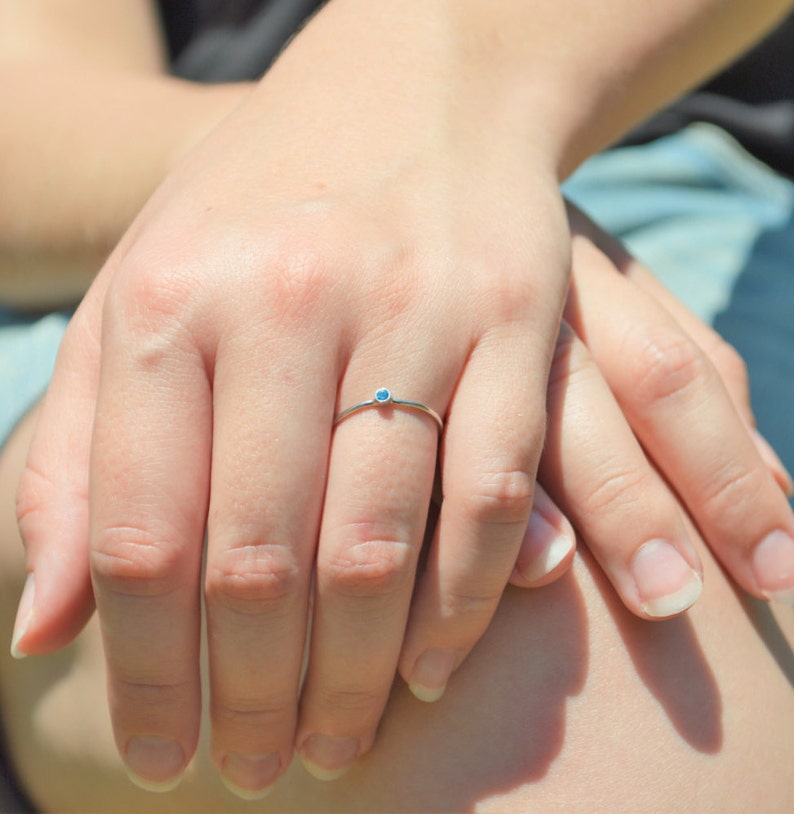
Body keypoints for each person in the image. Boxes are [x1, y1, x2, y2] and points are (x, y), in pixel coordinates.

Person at [1, 0, 793, 809]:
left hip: (700, 184)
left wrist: (456, 102)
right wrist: (316, 171)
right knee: (535, 656)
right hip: (150, 249)